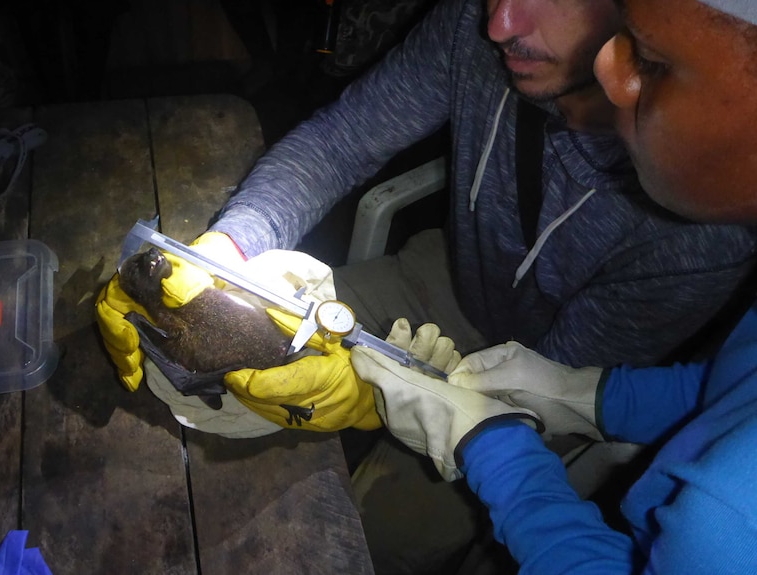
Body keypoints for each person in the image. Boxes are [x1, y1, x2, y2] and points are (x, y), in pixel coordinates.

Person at [96, 0, 757, 571]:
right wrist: (227, 247)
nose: (499, 22)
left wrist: (418, 412)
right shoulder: (475, 28)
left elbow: (556, 386)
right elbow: (343, 139)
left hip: (557, 358)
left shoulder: (706, 219)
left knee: (350, 538)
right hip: (442, 278)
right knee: (199, 371)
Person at [351, 0, 757, 572]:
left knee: (370, 535)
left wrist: (492, 444)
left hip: (541, 416)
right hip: (457, 288)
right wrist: (589, 396)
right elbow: (733, 388)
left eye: (654, 61)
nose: (611, 73)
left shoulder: (728, 520)